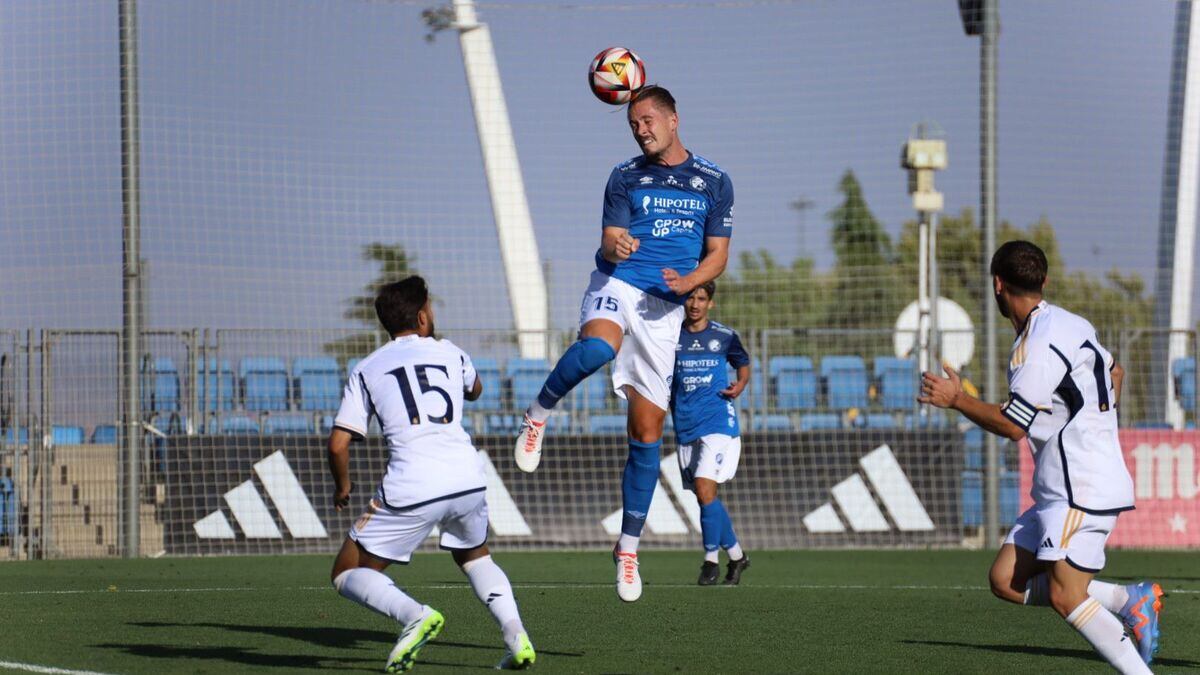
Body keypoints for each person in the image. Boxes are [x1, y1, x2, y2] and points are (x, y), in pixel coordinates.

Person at [512, 85, 734, 602]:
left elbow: (718, 255)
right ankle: (538, 415)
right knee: (597, 349)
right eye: (634, 123)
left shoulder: (715, 181)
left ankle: (628, 549)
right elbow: (608, 239)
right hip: (618, 284)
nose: (641, 129)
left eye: (649, 119)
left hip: (666, 309)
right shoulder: (624, 176)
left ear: (674, 119)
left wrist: (687, 284)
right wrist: (616, 244)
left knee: (648, 432)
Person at [919, 241, 1162, 673]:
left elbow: (1014, 426)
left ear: (998, 284)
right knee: (1005, 580)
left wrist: (957, 399)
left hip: (1080, 489)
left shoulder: (1036, 348)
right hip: (1062, 486)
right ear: (1043, 281)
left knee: (1066, 595)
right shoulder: (1070, 323)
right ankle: (1129, 599)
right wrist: (1094, 425)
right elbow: (1115, 372)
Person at [327, 276, 535, 672]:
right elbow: (476, 389)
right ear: (423, 316)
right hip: (467, 478)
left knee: (345, 572)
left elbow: (338, 444)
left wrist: (344, 486)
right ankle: (516, 635)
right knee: (475, 556)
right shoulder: (451, 352)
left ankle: (413, 616)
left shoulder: (367, 368)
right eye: (431, 308)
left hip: (413, 484)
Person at [669, 281, 751, 585]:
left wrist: (740, 385)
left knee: (705, 489)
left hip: (718, 422)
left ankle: (709, 561)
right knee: (706, 498)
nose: (695, 304)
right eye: (690, 297)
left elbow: (743, 364)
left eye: (701, 298)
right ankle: (739, 557)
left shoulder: (724, 336)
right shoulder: (670, 336)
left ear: (710, 304)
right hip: (685, 424)